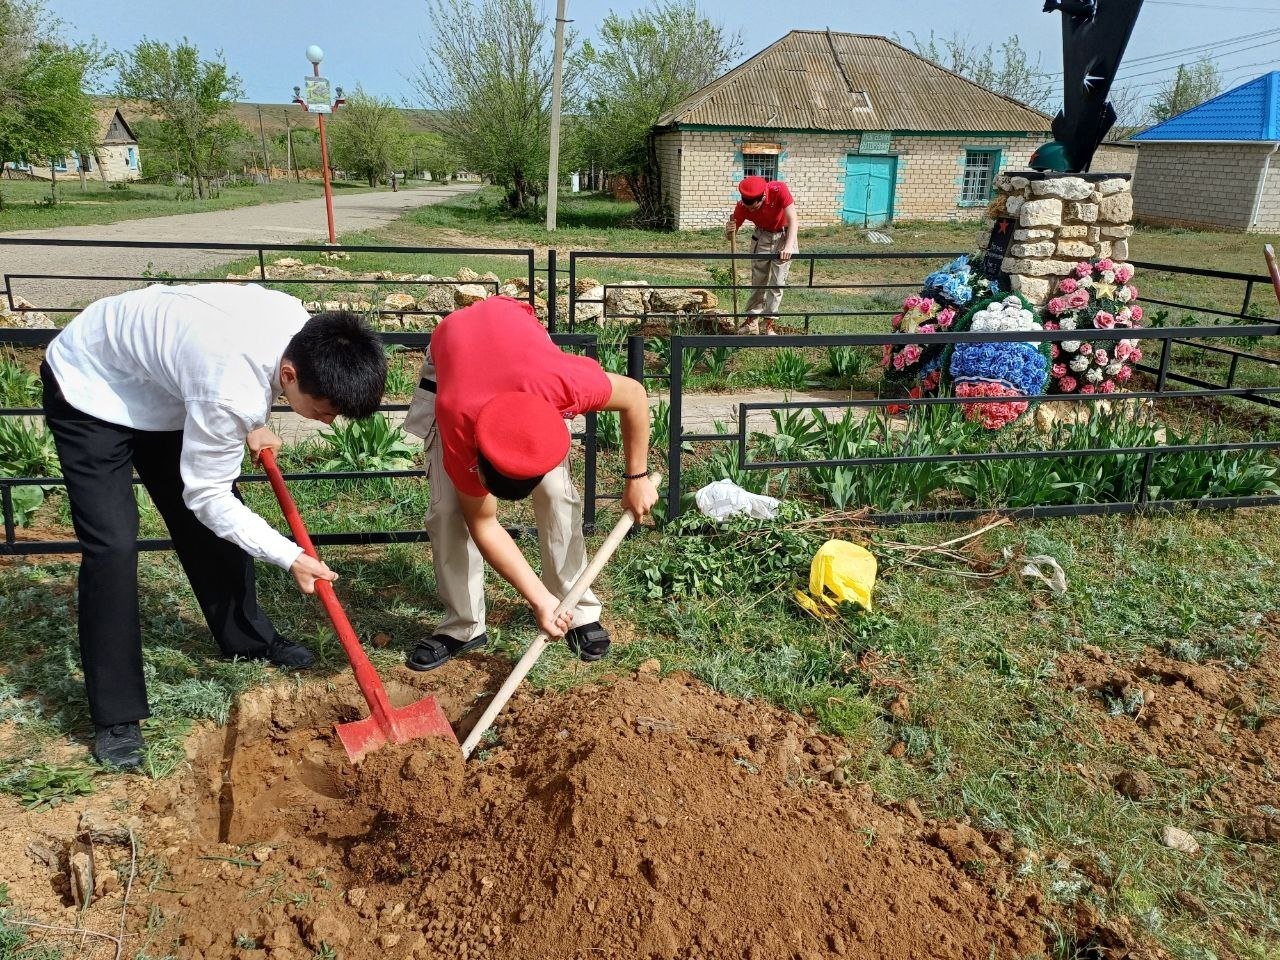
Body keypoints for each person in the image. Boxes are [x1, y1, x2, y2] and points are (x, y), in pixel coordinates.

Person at [40, 283, 387, 769]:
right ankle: (115, 716)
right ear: (290, 374)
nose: (328, 422)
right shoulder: (228, 391)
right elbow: (207, 495)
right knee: (114, 544)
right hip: (92, 387)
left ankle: (247, 638)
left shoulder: (294, 322)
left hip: (170, 389)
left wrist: (256, 417)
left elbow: (235, 371)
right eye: (325, 410)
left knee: (208, 529)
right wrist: (290, 556)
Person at [402, 295, 658, 670]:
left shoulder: (566, 383)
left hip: (526, 363)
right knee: (449, 510)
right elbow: (484, 522)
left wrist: (636, 478)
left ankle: (575, 607)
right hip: (455, 358)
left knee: (556, 492)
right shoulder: (458, 414)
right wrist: (539, 600)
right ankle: (463, 625)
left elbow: (634, 395)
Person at [724, 174, 799, 335]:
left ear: (763, 197)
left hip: (784, 236)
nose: (750, 210)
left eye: (754, 207)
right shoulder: (743, 206)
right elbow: (731, 236)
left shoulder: (779, 190)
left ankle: (769, 324)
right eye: (747, 207)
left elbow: (793, 219)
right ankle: (752, 322)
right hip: (762, 236)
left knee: (777, 281)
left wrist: (788, 246)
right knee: (758, 280)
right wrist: (729, 230)